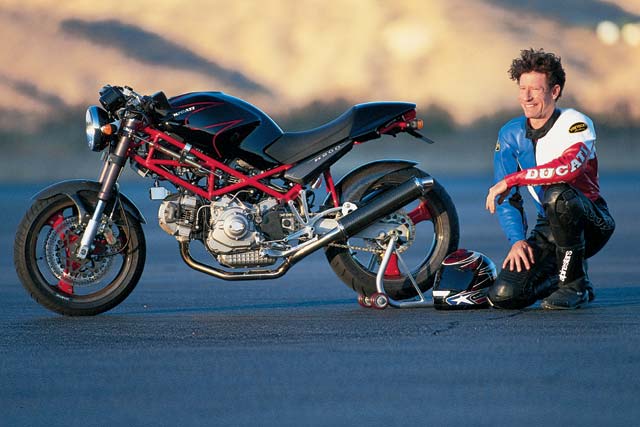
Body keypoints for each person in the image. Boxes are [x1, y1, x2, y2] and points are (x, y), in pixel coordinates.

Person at [485, 48, 615, 310]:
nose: (527, 97)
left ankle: (574, 285)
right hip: (548, 227)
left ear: (554, 92)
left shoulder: (575, 123)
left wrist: (514, 179)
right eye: (522, 88)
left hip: (589, 220)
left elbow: (567, 169)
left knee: (557, 195)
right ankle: (565, 272)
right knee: (505, 295)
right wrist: (517, 240)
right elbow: (506, 196)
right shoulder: (510, 134)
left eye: (535, 89)